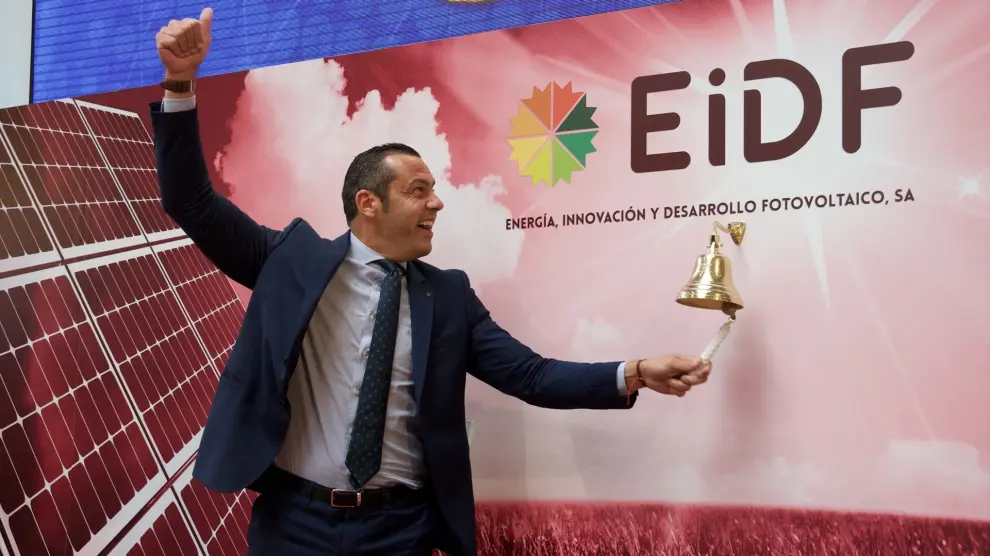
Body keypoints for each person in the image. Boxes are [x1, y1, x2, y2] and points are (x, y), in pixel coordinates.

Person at [152, 8, 712, 556]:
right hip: (293, 524)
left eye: (435, 190)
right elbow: (191, 203)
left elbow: (532, 376)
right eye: (418, 191)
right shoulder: (289, 260)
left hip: (400, 530)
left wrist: (636, 371)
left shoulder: (448, 297)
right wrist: (180, 83)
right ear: (368, 203)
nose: (437, 203)